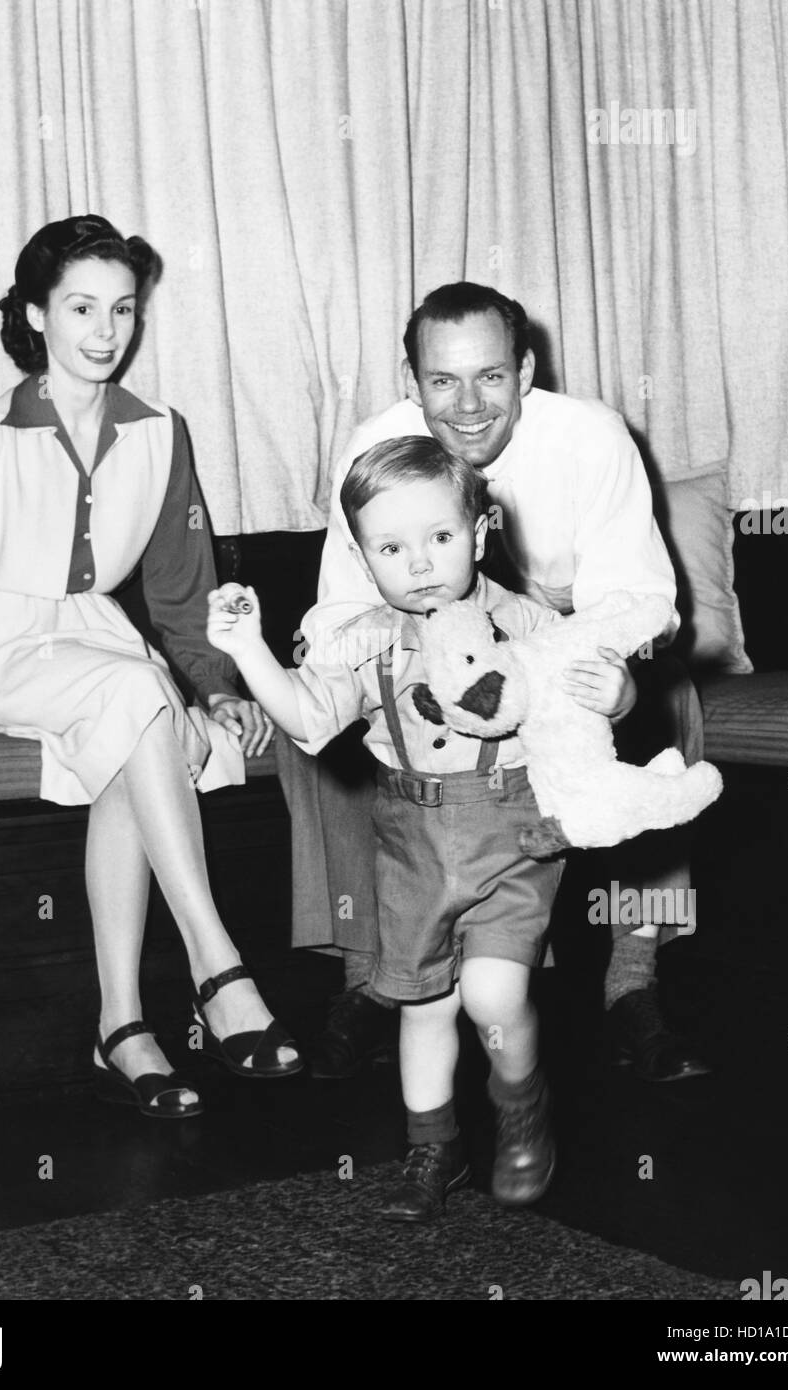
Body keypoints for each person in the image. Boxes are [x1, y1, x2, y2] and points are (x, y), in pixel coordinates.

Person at [0, 215, 301, 1117]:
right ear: (37, 314)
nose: (105, 331)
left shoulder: (159, 431)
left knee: (135, 715)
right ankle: (215, 961)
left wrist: (220, 687)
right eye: (81, 308)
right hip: (4, 650)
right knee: (133, 695)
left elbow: (182, 586)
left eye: (122, 308)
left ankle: (122, 1029)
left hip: (104, 643)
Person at [284, 281, 711, 1084]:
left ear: (524, 368)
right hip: (420, 644)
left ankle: (633, 978)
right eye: (442, 381)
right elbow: (339, 608)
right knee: (319, 719)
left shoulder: (590, 438)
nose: (468, 404)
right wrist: (366, 662)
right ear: (411, 382)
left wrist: (564, 666)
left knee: (666, 701)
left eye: (490, 376)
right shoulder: (377, 446)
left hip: (562, 630)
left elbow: (640, 600)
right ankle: (372, 978)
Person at [208, 437, 635, 1219]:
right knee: (421, 1004)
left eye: (439, 538)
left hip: (512, 829)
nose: (419, 564)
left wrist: (617, 693)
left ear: (479, 532)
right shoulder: (364, 638)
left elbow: (592, 708)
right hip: (410, 837)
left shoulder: (529, 624)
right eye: (391, 548)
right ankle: (431, 1148)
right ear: (362, 558)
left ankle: (519, 1097)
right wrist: (247, 651)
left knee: (490, 994)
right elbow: (306, 720)